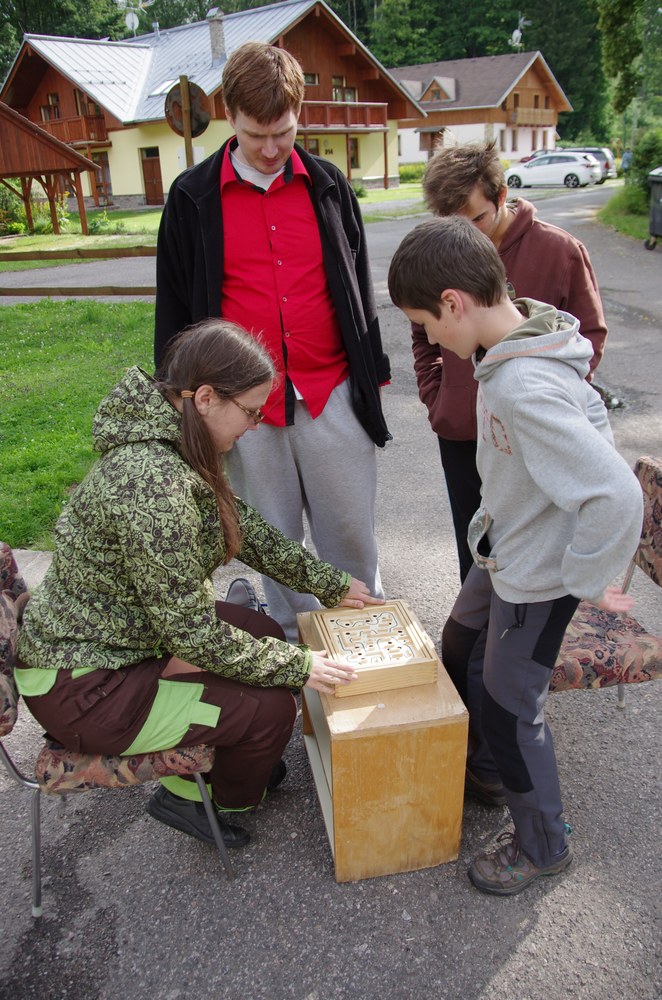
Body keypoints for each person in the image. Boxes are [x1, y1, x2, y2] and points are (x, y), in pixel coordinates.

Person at [15, 319, 383, 849]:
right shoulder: (154, 485)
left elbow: (243, 526)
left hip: (115, 646)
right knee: (274, 707)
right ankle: (202, 798)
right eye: (252, 411)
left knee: (261, 630)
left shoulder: (172, 435)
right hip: (85, 691)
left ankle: (231, 757)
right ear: (207, 397)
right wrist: (301, 666)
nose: (257, 425)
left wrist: (327, 582)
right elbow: (192, 634)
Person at [388, 216, 643, 896]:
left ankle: (541, 843)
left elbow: (616, 496)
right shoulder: (522, 341)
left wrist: (584, 580)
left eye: (428, 326)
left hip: (537, 577)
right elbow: (586, 420)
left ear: (453, 302)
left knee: (508, 707)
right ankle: (490, 771)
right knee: (457, 643)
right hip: (503, 551)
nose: (433, 342)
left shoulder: (523, 385)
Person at [154, 42, 390, 641]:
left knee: (351, 539)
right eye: (256, 133)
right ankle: (300, 663)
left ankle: (363, 654)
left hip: (330, 390)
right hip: (244, 412)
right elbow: (176, 311)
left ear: (297, 116)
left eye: (282, 132)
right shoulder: (190, 198)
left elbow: (358, 287)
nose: (269, 148)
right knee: (275, 543)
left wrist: (370, 376)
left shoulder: (330, 186)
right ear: (230, 115)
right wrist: (183, 403)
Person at [415, 140, 608, 583]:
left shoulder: (560, 250)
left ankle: (524, 642)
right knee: (475, 547)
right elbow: (421, 332)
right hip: (463, 430)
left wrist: (555, 400)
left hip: (531, 434)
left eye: (477, 219)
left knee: (533, 551)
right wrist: (438, 396)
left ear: (502, 197)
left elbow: (589, 336)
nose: (468, 235)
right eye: (451, 223)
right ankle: (480, 643)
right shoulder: (441, 253)